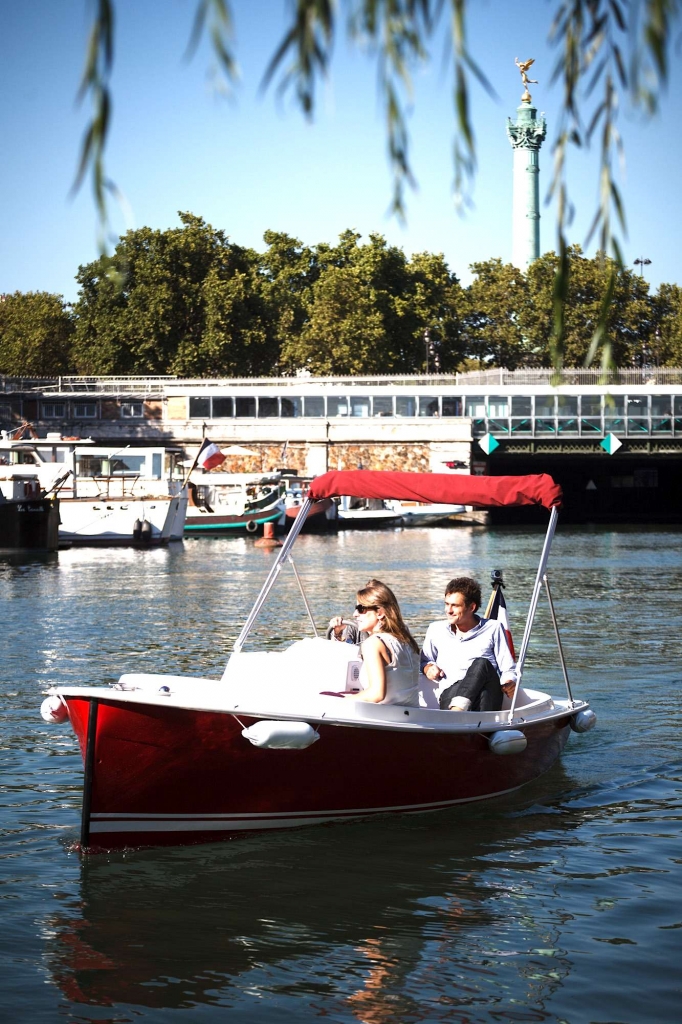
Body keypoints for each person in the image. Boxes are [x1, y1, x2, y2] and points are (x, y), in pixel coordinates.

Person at [421, 577, 516, 712]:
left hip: (486, 697)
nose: (448, 610)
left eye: (455, 605)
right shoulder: (435, 630)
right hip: (450, 696)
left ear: (472, 607)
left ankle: (456, 716)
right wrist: (428, 667)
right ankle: (458, 713)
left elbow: (508, 669)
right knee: (461, 688)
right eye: (447, 604)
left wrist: (509, 683)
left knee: (481, 664)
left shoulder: (493, 628)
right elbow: (424, 662)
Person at [339, 580, 420, 706]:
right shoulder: (407, 640)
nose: (355, 614)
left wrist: (340, 701)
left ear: (380, 613)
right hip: (413, 716)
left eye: (361, 609)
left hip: (383, 719)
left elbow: (376, 694)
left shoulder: (373, 644)